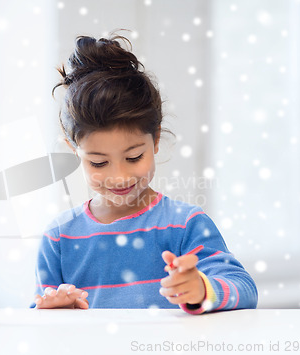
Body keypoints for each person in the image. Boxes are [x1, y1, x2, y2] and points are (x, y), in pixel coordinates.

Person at [32, 33, 258, 314]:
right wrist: (56, 311)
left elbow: (244, 288)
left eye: (134, 157)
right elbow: (38, 315)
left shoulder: (185, 225)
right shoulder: (60, 237)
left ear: (156, 138)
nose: (120, 176)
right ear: (74, 150)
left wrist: (201, 289)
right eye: (99, 163)